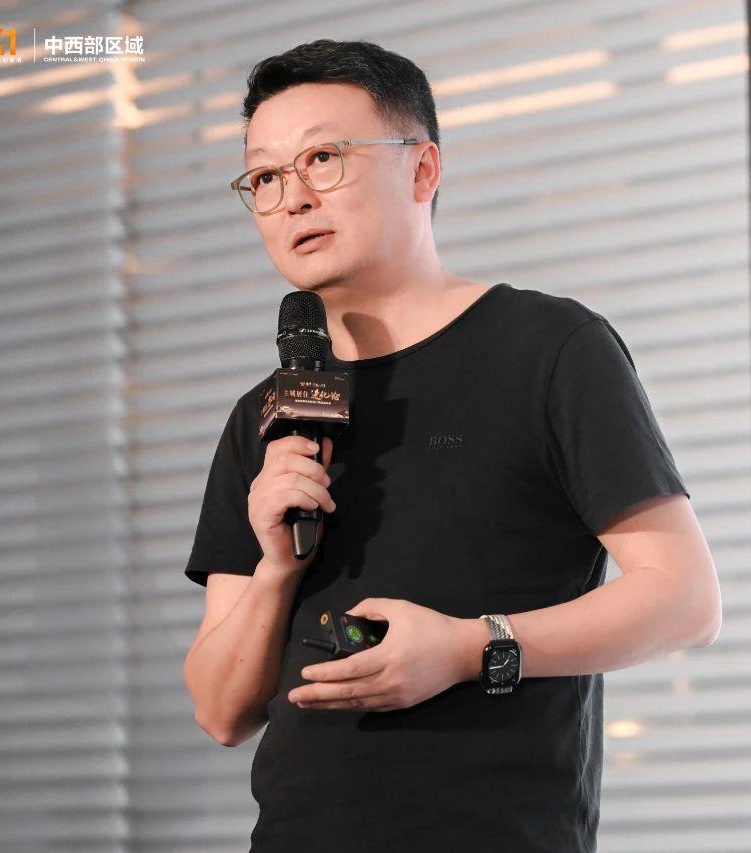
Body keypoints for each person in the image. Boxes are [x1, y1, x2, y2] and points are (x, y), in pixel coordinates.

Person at [182, 39, 722, 853]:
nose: (292, 198)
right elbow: (220, 710)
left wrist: (469, 648)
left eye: (323, 158)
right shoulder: (265, 415)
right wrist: (275, 570)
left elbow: (685, 599)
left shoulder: (548, 348)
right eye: (264, 177)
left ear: (423, 169)